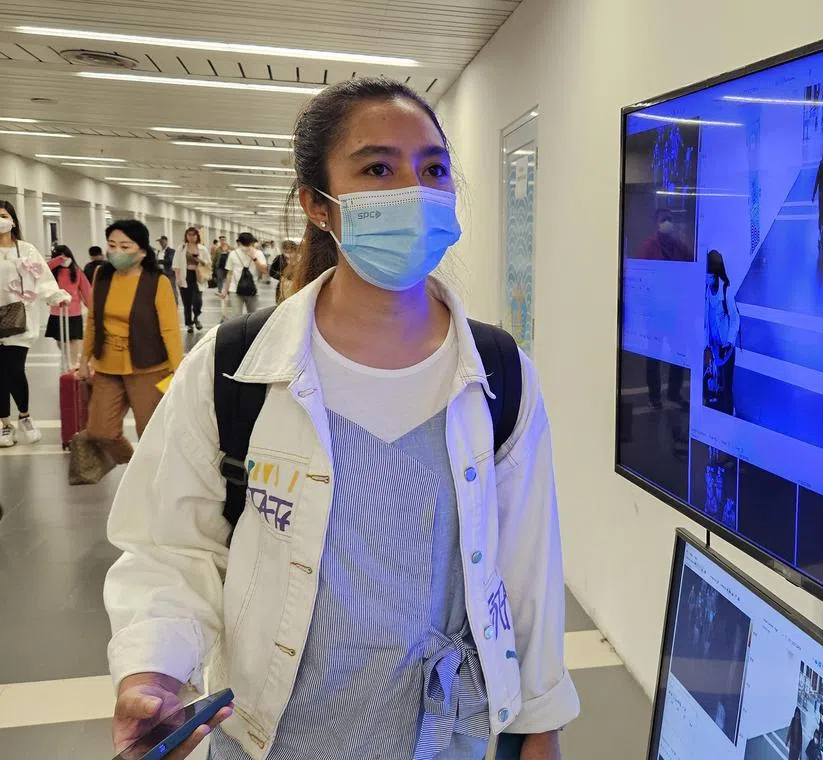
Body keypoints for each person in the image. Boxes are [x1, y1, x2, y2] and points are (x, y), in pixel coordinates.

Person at [104, 76, 579, 760]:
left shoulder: (498, 374)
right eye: (378, 167)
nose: (412, 190)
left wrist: (541, 726)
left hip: (445, 737)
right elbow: (171, 547)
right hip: (278, 736)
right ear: (317, 205)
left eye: (433, 169)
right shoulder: (234, 367)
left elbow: (525, 569)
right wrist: (151, 673)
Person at [77, 220, 182, 465]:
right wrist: (83, 360)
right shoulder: (102, 274)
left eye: (125, 246)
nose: (117, 252)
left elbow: (170, 330)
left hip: (149, 366)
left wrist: (178, 370)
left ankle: (153, 478)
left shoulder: (158, 281)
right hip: (107, 364)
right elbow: (93, 319)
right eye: (112, 245)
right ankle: (134, 467)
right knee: (101, 430)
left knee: (150, 433)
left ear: (142, 250)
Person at [0, 201, 70, 447]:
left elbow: (43, 278)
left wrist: (56, 296)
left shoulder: (26, 250)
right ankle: (4, 424)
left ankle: (25, 416)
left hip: (20, 320)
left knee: (15, 370)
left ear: (13, 220)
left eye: (3, 215)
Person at [703, 250, 740, 415]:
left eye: (709, 272)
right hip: (714, 348)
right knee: (714, 384)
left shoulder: (726, 291)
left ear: (716, 272)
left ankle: (728, 413)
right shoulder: (705, 291)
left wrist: (730, 343)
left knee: (726, 385)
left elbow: (735, 319)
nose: (707, 276)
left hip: (726, 348)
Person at [46, 244, 93, 365]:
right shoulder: (51, 272)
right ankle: (66, 357)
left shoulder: (77, 272)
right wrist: (58, 260)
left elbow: (86, 291)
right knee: (60, 339)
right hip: (57, 311)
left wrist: (92, 308)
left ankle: (72, 364)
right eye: (61, 257)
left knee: (73, 339)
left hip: (74, 312)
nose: (64, 259)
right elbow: (43, 269)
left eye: (66, 256)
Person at [221, 232, 267, 318]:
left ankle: (250, 331)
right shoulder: (233, 254)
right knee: (236, 316)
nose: (246, 246)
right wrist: (225, 289)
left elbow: (264, 270)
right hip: (235, 290)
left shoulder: (258, 253)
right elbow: (230, 273)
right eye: (244, 244)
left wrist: (254, 258)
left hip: (253, 289)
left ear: (252, 243)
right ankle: (238, 331)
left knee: (252, 316)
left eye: (248, 244)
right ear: (239, 243)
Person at [173, 226, 211, 332]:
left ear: (197, 236)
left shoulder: (202, 249)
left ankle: (196, 317)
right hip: (185, 276)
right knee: (187, 302)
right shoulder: (181, 248)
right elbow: (176, 264)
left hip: (198, 276)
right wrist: (178, 278)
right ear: (186, 236)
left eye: (193, 235)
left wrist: (199, 259)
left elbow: (208, 263)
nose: (191, 237)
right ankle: (189, 324)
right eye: (189, 234)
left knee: (197, 301)